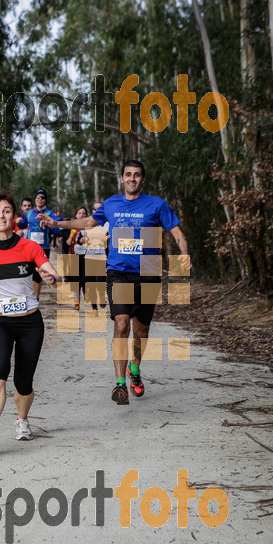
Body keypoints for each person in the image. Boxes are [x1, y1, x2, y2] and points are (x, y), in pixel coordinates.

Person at [37, 160, 191, 406]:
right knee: (121, 325)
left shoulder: (156, 205)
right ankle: (120, 384)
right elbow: (88, 223)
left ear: (142, 179)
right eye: (128, 174)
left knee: (141, 330)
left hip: (148, 275)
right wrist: (57, 224)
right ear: (122, 178)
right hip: (118, 272)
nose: (132, 178)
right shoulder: (111, 204)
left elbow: (176, 231)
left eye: (137, 175)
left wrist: (183, 253)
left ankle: (135, 369)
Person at [0, 192, 59, 451]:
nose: (1, 216)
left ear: (14, 216)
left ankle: (22, 419)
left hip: (30, 323)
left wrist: (51, 276)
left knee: (24, 382)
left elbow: (47, 267)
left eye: (6, 211)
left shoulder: (29, 247)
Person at [16, 189, 61, 300]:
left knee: (39, 273)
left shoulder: (49, 213)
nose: (40, 199)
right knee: (27, 272)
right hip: (29, 247)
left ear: (45, 200)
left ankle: (36, 298)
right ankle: (29, 295)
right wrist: (18, 222)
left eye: (42, 197)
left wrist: (49, 223)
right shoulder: (29, 213)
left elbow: (57, 231)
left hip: (43, 247)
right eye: (38, 197)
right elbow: (22, 225)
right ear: (35, 199)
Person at [85, 201, 109, 314]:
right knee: (90, 283)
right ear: (92, 211)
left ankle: (102, 296)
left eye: (100, 208)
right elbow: (81, 238)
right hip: (89, 257)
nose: (97, 210)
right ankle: (94, 308)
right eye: (95, 209)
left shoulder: (106, 223)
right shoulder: (88, 224)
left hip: (101, 257)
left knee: (100, 280)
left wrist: (107, 237)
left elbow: (111, 234)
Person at [67, 206, 88, 311]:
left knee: (84, 278)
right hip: (74, 255)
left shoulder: (89, 227)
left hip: (86, 256)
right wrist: (71, 237)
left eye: (84, 213)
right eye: (79, 213)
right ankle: (76, 303)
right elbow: (67, 242)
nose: (81, 215)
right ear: (76, 215)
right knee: (75, 280)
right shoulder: (72, 227)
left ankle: (86, 298)